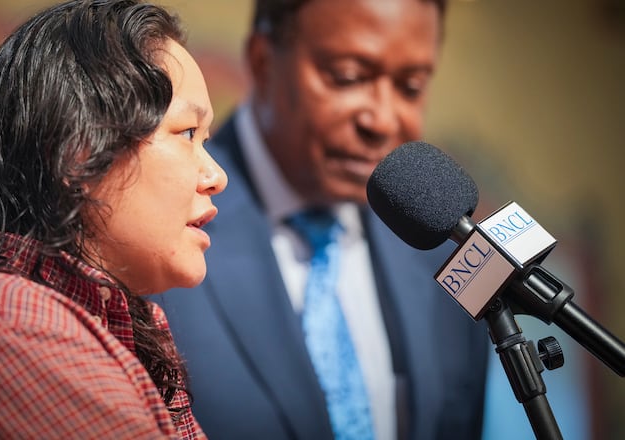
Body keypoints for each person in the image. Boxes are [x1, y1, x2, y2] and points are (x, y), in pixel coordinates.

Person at [0, 0, 227, 438]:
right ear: (79, 150)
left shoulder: (53, 320)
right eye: (186, 133)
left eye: (205, 140)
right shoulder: (12, 328)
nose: (216, 177)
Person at [153, 0, 490, 439]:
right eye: (348, 77)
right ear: (263, 62)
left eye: (410, 87)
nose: (382, 119)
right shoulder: (159, 223)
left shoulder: (443, 246)